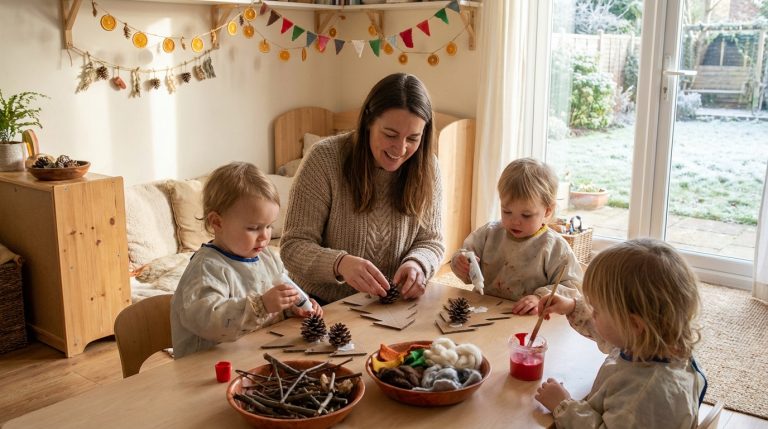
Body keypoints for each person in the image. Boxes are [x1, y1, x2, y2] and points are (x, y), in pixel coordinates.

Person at [280, 73, 444, 305]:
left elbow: (432, 242)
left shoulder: (428, 167)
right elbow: (292, 247)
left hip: (389, 305)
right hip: (320, 305)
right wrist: (339, 264)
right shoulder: (324, 159)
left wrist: (417, 263)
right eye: (390, 135)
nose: (401, 148)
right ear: (368, 121)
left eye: (413, 138)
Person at [535, 238, 707, 428]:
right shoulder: (652, 343)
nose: (592, 314)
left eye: (597, 310)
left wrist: (563, 405)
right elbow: (611, 334)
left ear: (633, 323)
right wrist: (571, 307)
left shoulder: (643, 396)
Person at [171, 162, 322, 359]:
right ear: (217, 222)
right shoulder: (206, 268)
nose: (264, 237)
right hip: (207, 366)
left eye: (269, 226)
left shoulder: (265, 256)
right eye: (253, 228)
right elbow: (208, 321)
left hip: (253, 355)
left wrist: (294, 306)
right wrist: (260, 306)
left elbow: (279, 293)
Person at [449, 158, 581, 314]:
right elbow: (466, 256)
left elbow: (572, 286)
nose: (515, 222)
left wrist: (540, 298)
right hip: (484, 309)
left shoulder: (554, 247)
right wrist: (460, 263)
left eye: (526, 215)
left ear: (547, 211)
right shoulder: (489, 233)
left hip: (527, 317)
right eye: (507, 212)